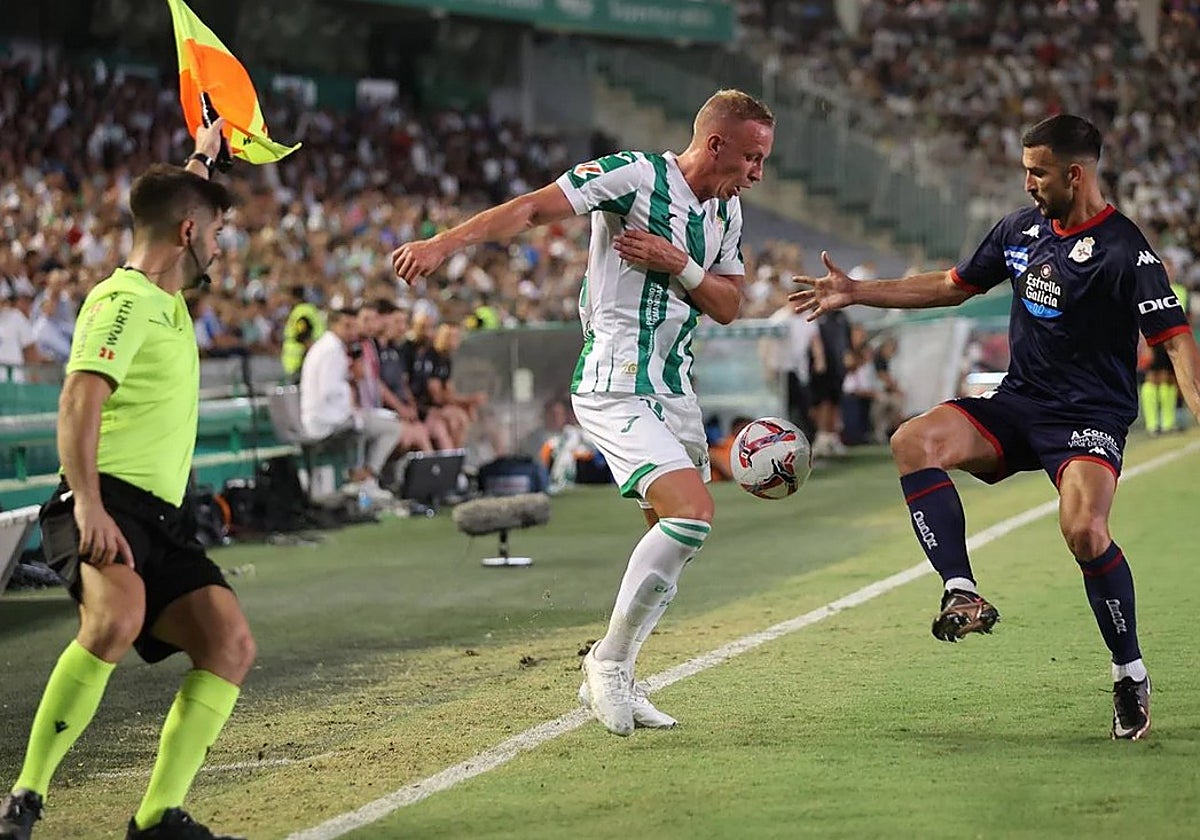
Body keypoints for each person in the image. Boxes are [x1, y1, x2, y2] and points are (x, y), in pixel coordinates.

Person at [791, 114, 1200, 741]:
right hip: (1018, 403)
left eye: (1037, 171)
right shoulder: (1020, 229)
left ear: (1075, 173)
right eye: (1024, 170)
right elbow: (952, 286)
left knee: (1086, 532)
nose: (1027, 182)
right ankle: (961, 591)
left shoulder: (1126, 250)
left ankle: (1128, 672)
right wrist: (856, 291)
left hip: (1088, 416)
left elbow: (1174, 340)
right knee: (912, 441)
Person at [393, 88, 774, 736]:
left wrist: (677, 263)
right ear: (716, 145)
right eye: (752, 158)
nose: (758, 174)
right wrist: (443, 243)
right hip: (614, 381)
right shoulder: (633, 176)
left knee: (677, 542)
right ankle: (608, 663)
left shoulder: (725, 216)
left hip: (675, 386)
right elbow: (533, 210)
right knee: (693, 515)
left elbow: (730, 304)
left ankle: (618, 666)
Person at [0, 120, 256, 840]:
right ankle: (24, 798)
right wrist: (86, 505)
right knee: (115, 619)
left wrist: (204, 154)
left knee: (229, 644)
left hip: (164, 516)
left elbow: (180, 198)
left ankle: (157, 819)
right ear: (185, 234)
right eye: (211, 235)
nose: (217, 246)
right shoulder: (123, 301)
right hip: (102, 498)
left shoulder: (168, 296)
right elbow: (80, 397)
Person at [298, 308, 401, 503]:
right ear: (334, 325)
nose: (352, 332)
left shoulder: (329, 347)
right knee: (390, 427)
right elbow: (329, 391)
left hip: (324, 416)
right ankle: (366, 479)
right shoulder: (331, 351)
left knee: (368, 423)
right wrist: (352, 381)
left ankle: (363, 478)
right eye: (347, 326)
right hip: (325, 420)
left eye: (353, 326)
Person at [1140, 258, 1188, 434]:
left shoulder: (1182, 291)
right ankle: (1152, 424)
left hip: (1175, 340)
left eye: (1170, 268)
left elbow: (1186, 317)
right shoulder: (1149, 289)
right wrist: (1145, 345)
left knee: (1169, 379)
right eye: (1165, 268)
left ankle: (1168, 423)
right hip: (1154, 339)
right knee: (1153, 378)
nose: (1168, 272)